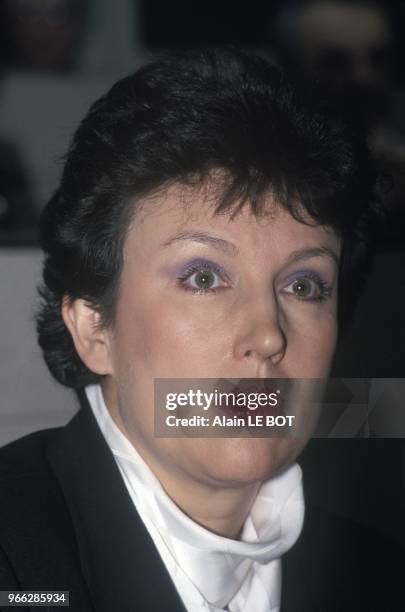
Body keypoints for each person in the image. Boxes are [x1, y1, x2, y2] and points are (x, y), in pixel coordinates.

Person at [0, 48, 404, 612]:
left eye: (305, 285)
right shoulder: (17, 565)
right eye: (205, 276)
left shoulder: (379, 574)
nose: (268, 336)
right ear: (95, 328)